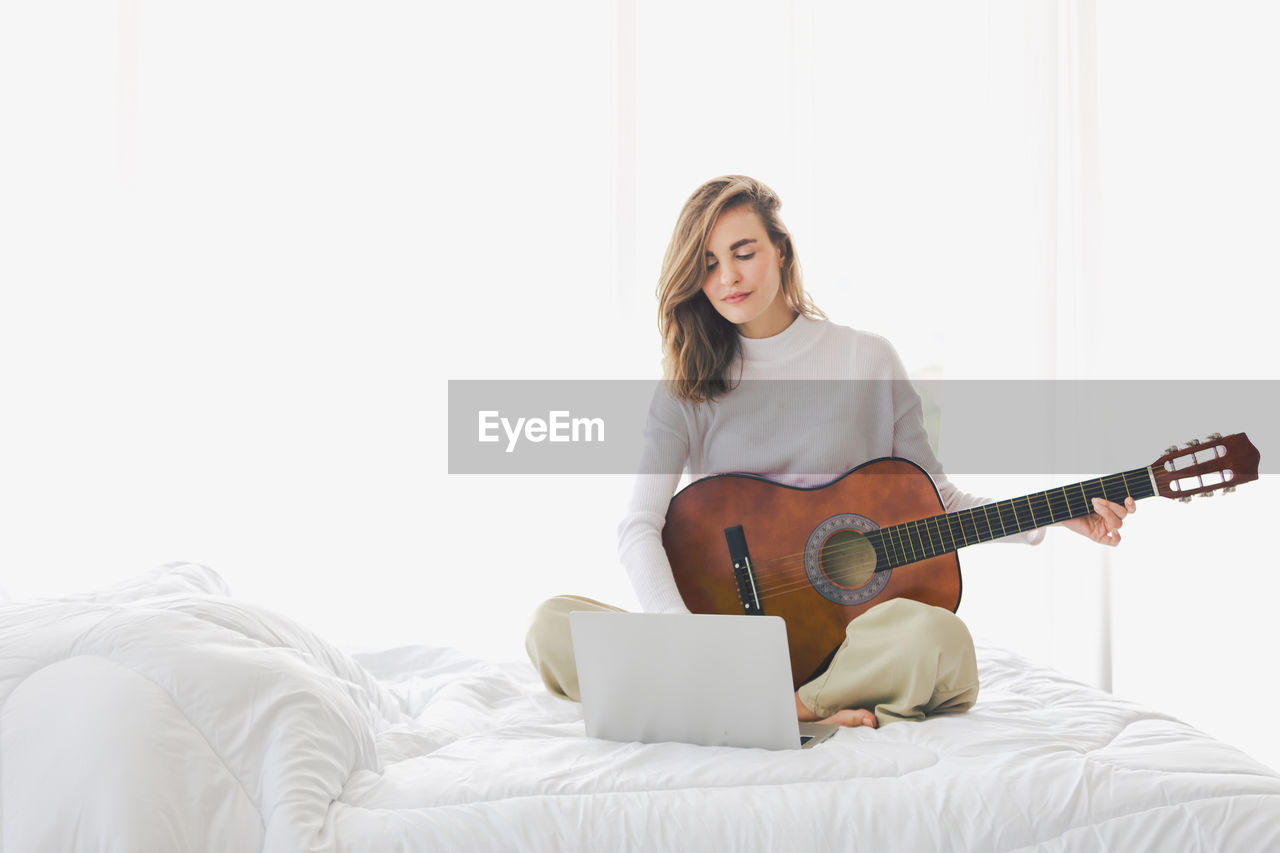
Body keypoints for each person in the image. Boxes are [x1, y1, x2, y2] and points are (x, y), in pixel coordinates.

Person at [526, 174, 1135, 729]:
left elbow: (937, 499)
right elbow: (638, 525)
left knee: (936, 637)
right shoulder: (686, 384)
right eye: (708, 264)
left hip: (839, 649)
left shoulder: (866, 360)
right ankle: (739, 697)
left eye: (744, 253)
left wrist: (1056, 513)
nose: (729, 278)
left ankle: (794, 709)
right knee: (552, 625)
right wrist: (686, 640)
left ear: (781, 252)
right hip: (719, 648)